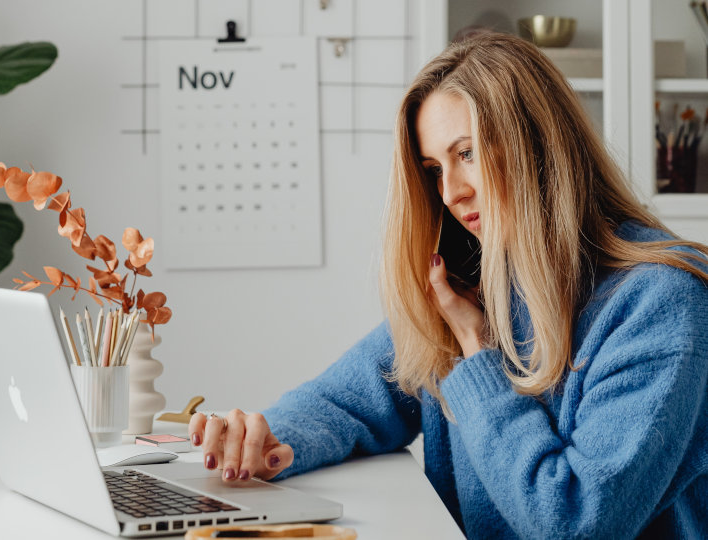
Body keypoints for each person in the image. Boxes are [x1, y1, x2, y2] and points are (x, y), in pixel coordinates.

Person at [188, 33, 708, 539]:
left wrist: (475, 350)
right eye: (434, 168)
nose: (452, 194)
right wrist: (261, 441)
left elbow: (574, 518)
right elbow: (349, 401)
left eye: (468, 154)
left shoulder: (662, 303)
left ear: (542, 145)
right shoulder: (479, 281)